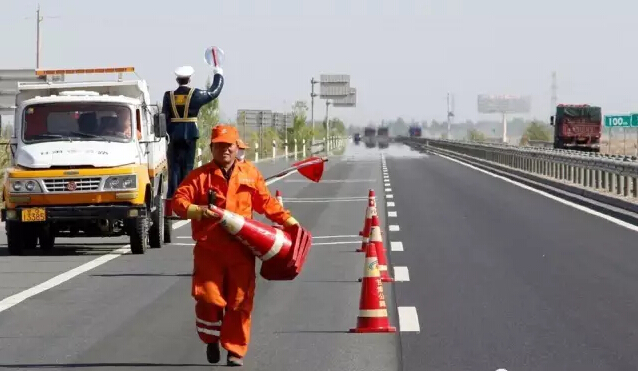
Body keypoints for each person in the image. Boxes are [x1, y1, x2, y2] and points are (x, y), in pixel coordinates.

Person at [171, 124, 300, 366]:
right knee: (208, 299)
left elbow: (267, 204)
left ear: (237, 147)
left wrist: (290, 223)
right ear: (211, 148)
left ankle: (234, 351)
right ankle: (211, 339)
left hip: (241, 250)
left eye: (228, 145)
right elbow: (178, 201)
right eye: (219, 145)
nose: (224, 150)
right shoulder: (200, 176)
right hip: (209, 250)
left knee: (240, 302)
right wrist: (197, 211)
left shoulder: (250, 174)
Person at [163, 65, 224, 200]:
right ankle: (186, 196)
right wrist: (218, 74)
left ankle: (172, 196)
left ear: (177, 79)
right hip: (190, 134)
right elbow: (213, 92)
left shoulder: (168, 96)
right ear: (189, 79)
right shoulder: (195, 95)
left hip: (173, 135)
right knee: (188, 166)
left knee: (174, 167)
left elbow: (164, 116)